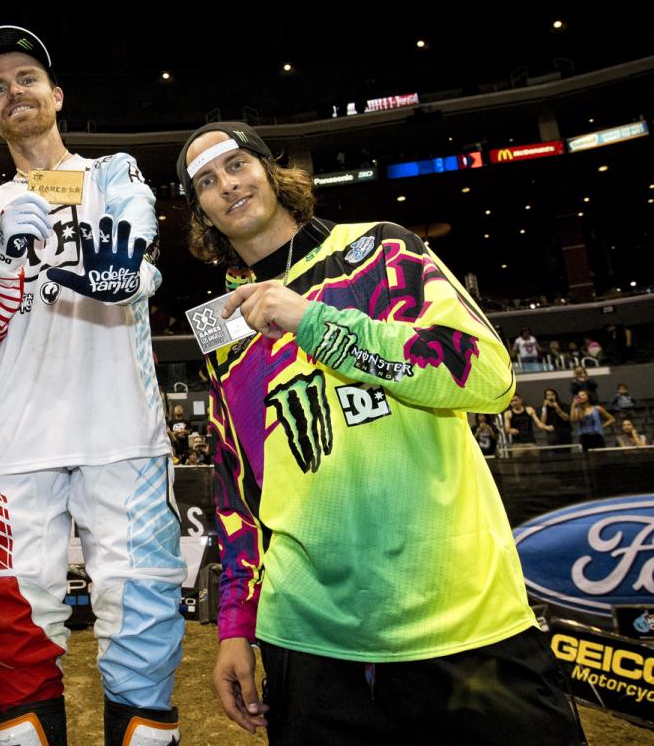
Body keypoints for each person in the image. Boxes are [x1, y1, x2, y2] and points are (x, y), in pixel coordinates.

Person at [177, 122, 584, 744]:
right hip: (309, 639)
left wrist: (314, 320)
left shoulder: (380, 249)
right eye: (205, 182)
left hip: (462, 620)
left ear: (270, 169)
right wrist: (235, 623)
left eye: (236, 165)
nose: (226, 185)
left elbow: (489, 375)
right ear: (200, 211)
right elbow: (239, 489)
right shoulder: (222, 327)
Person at [0, 25, 185, 746]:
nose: (12, 93)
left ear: (55, 95)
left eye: (25, 79)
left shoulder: (112, 173)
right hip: (13, 436)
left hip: (121, 424)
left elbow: (139, 266)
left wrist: (124, 274)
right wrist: (3, 266)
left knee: (145, 620)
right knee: (14, 628)